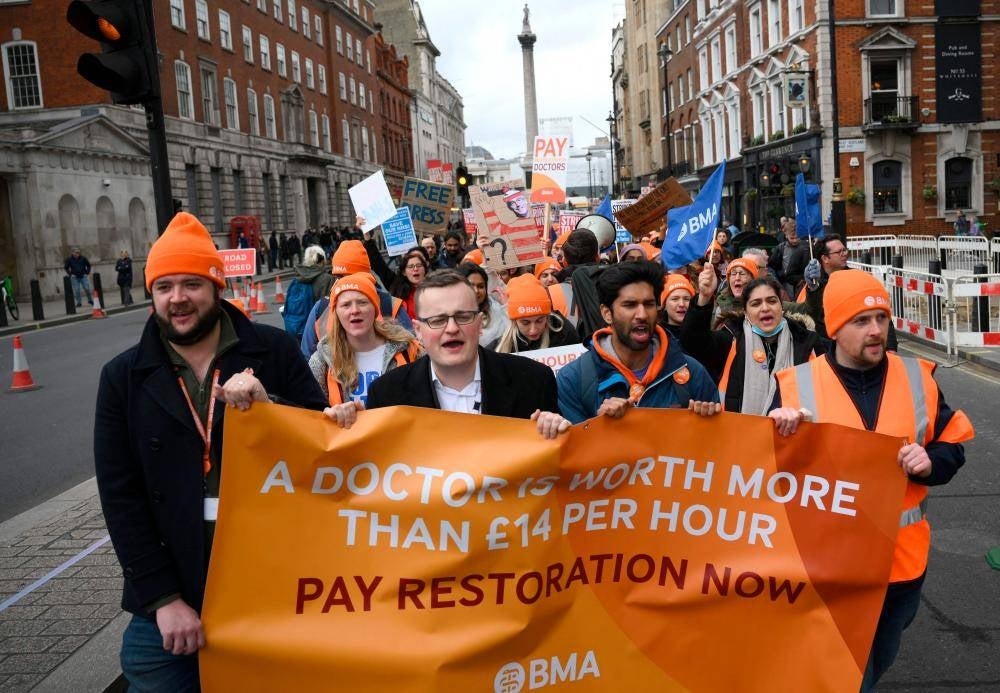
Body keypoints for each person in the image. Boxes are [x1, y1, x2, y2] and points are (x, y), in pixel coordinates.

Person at [94, 212, 327, 690]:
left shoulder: (274, 350)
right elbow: (121, 497)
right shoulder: (123, 377)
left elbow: (324, 449)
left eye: (191, 284)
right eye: (164, 287)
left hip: (271, 583)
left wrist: (271, 406)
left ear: (217, 288)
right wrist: (162, 599)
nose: (177, 298)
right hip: (174, 587)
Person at [768, 269, 974, 691]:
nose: (876, 330)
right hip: (826, 570)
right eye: (861, 321)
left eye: (881, 318)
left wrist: (930, 461)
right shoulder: (794, 387)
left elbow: (952, 441)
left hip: (900, 567)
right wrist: (774, 431)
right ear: (834, 328)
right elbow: (761, 473)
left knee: (877, 659)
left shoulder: (919, 378)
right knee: (842, 674)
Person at [324, 269, 570, 439]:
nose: (452, 329)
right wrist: (344, 429)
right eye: (438, 320)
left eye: (463, 316)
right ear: (418, 330)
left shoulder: (533, 381)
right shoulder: (387, 395)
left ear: (480, 322)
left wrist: (557, 432)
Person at [556, 261, 719, 424]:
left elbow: (715, 443)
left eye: (649, 304)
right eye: (630, 305)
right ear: (607, 313)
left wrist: (705, 426)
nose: (642, 314)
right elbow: (575, 447)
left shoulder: (692, 373)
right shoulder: (574, 379)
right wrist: (601, 428)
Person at [684, 271, 824, 414]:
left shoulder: (806, 341)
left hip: (796, 432)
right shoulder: (732, 338)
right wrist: (704, 297)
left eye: (772, 301)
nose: (765, 308)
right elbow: (693, 342)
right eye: (756, 304)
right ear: (746, 312)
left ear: (781, 306)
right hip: (741, 432)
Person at [309, 272, 421, 406]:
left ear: (375, 308)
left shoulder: (409, 350)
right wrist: (330, 414)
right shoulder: (322, 362)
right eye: (346, 305)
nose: (354, 310)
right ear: (336, 313)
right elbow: (310, 413)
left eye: (362, 302)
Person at [299, 240, 413, 359]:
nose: (344, 283)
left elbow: (412, 352)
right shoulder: (321, 308)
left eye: (351, 277)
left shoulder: (391, 305)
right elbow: (307, 358)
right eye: (339, 277)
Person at [488, 274, 580, 353]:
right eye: (525, 323)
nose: (533, 330)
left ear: (547, 317)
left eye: (540, 321)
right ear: (514, 321)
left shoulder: (565, 334)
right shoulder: (500, 347)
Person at [457, 262, 509, 347]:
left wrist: (506, 308)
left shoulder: (495, 308)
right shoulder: (450, 318)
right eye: (470, 285)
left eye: (481, 286)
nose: (476, 291)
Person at [769, 220, 808, 297]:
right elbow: (772, 267)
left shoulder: (806, 247)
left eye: (797, 238)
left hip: (801, 281)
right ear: (786, 236)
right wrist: (781, 275)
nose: (795, 241)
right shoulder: (780, 249)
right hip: (786, 283)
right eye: (792, 238)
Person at [389, 247, 430, 318]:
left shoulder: (434, 290)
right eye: (411, 266)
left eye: (419, 265)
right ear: (404, 272)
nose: (415, 269)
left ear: (425, 269)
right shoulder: (398, 295)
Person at [658, 273, 695, 340]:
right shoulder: (656, 338)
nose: (681, 304)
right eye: (675, 299)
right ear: (664, 305)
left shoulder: (701, 335)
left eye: (686, 299)